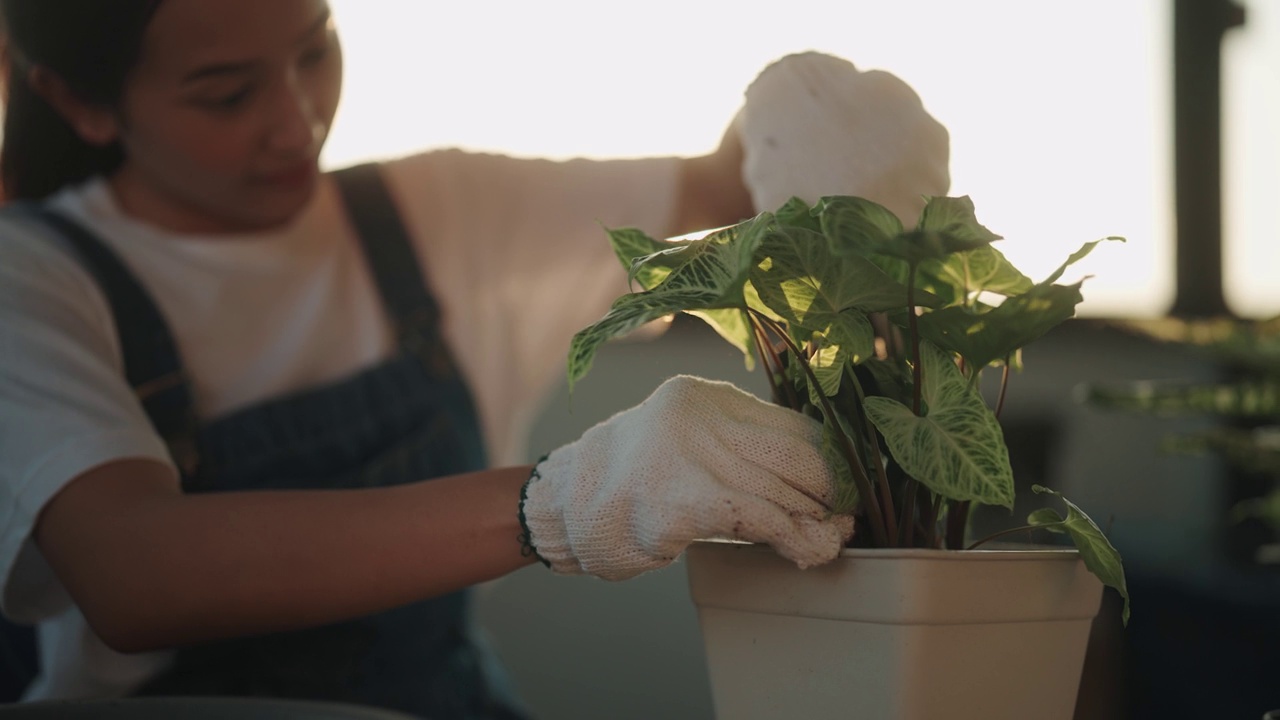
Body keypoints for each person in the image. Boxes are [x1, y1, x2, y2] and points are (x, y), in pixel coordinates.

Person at [0, 1, 947, 717]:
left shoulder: (432, 213)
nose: (296, 122)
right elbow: (132, 572)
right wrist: (568, 500)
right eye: (228, 94)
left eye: (314, 51)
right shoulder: (33, 279)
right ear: (79, 102)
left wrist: (806, 113)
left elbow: (727, 183)